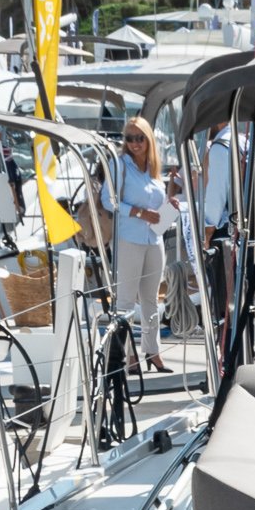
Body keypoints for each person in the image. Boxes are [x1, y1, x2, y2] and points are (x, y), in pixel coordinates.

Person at [107, 115, 171, 366]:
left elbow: (157, 206)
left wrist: (169, 206)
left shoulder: (154, 170)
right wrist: (138, 212)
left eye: (139, 138)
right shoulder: (120, 165)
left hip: (154, 238)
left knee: (151, 298)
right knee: (125, 300)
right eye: (130, 138)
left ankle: (152, 351)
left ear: (148, 140)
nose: (134, 143)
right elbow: (108, 200)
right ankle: (123, 355)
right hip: (128, 238)